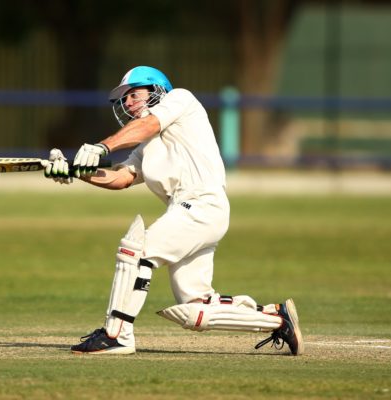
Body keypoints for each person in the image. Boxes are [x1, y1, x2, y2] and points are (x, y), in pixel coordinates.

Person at [44, 66, 303, 356]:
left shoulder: (180, 99)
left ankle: (116, 335)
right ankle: (277, 319)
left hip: (201, 204)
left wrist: (102, 147)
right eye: (124, 98)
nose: (127, 102)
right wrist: (75, 171)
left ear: (157, 90)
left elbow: (148, 125)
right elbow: (121, 177)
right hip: (192, 213)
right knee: (195, 308)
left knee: (136, 252)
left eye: (133, 94)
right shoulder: (146, 146)